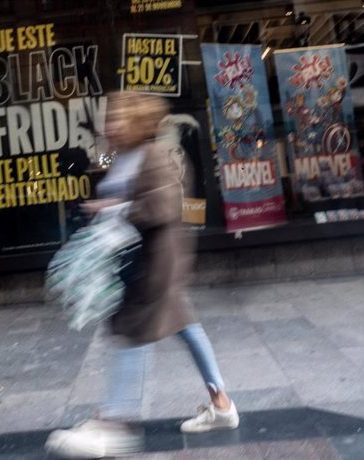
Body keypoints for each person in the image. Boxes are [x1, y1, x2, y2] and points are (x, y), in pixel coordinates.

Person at [46, 92, 239, 459]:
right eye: (110, 118)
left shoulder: (154, 156)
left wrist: (113, 206)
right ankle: (222, 405)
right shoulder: (125, 157)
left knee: (132, 333)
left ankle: (115, 424)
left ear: (138, 121)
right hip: (142, 263)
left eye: (118, 118)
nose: (111, 125)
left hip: (152, 266)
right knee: (186, 327)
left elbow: (162, 208)